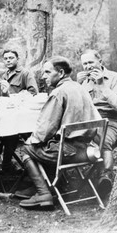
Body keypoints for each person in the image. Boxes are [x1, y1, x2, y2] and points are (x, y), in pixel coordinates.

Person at [17, 56, 101, 209]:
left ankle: (43, 193)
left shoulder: (59, 92)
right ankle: (52, 185)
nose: (43, 76)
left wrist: (32, 139)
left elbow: (44, 129)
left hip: (68, 152)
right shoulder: (80, 87)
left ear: (61, 73)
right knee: (49, 144)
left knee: (27, 148)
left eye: (48, 72)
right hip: (87, 149)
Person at [77, 49, 117, 197]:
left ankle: (105, 176)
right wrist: (77, 87)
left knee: (103, 139)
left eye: (91, 62)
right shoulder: (83, 80)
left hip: (111, 119)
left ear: (100, 62)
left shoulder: (115, 78)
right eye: (85, 64)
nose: (88, 67)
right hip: (88, 120)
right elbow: (76, 106)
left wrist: (102, 85)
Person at [0, 49, 39, 173]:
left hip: (24, 115)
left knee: (17, 137)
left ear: (17, 59)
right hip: (9, 114)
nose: (8, 60)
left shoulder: (25, 73)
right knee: (7, 135)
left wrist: (18, 97)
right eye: (5, 58)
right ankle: (6, 164)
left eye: (11, 58)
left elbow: (33, 92)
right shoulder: (4, 75)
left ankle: (36, 165)